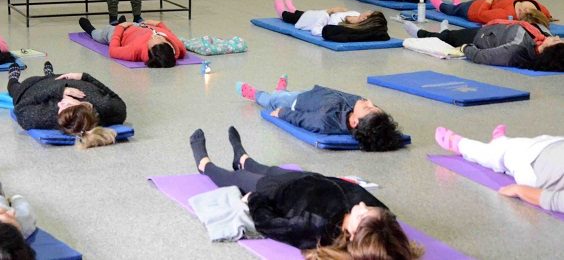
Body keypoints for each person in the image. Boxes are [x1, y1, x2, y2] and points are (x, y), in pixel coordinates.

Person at [188, 127, 423, 258]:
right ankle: (242, 157)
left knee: (239, 179)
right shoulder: (378, 221)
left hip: (276, 194)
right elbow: (385, 222)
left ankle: (204, 165)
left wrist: (254, 201)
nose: (362, 206)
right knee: (265, 168)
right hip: (305, 179)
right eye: (369, 209)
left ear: (352, 236)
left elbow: (269, 223)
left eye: (362, 215)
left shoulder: (316, 229)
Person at [235, 76, 404, 151]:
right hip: (311, 95)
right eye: (373, 105)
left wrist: (283, 113)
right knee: (284, 94)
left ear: (354, 123)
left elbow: (304, 119)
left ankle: (254, 94)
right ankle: (281, 90)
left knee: (273, 100)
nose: (369, 101)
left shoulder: (325, 121)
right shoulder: (355, 108)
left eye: (368, 107)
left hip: (296, 104)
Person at [435, 124, 563, 214]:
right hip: (553, 145)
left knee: (497, 154)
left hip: (533, 163)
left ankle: (459, 144)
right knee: (526, 143)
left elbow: (552, 200)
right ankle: (501, 142)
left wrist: (519, 190)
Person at [8, 61, 126, 148]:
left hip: (33, 85)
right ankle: (50, 74)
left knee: (14, 89)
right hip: (62, 77)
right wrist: (85, 77)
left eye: (59, 108)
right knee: (53, 77)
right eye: (67, 104)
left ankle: (13, 78)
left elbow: (20, 108)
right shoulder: (105, 106)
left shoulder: (45, 117)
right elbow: (118, 101)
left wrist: (57, 91)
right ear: (86, 106)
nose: (60, 103)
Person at [404, 18, 564, 71]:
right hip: (494, 28)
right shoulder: (543, 37)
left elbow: (482, 57)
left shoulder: (516, 50)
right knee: (451, 35)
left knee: (447, 37)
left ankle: (420, 33)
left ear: (548, 49)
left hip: (480, 37)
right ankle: (446, 32)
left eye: (557, 40)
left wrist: (465, 48)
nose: (556, 36)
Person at [79, 17, 186, 68]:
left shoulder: (135, 51)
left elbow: (113, 51)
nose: (155, 36)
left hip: (121, 33)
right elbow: (170, 33)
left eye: (152, 40)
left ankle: (90, 29)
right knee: (132, 24)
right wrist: (159, 24)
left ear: (148, 50)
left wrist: (120, 28)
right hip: (139, 26)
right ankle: (122, 22)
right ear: (168, 45)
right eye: (159, 38)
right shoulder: (178, 47)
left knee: (100, 34)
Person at [274, 0, 389, 41]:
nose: (368, 11)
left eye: (370, 13)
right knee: (303, 13)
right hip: (320, 14)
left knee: (295, 17)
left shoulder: (339, 26)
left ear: (365, 19)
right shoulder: (356, 13)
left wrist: (328, 12)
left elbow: (317, 30)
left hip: (314, 21)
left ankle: (283, 13)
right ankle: (293, 9)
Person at [427, 0, 554, 25]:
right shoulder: (543, 10)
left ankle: (440, 5)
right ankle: (458, 3)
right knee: (461, 6)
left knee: (455, 11)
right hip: (483, 2)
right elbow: (547, 17)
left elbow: (482, 14)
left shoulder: (506, 14)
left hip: (474, 10)